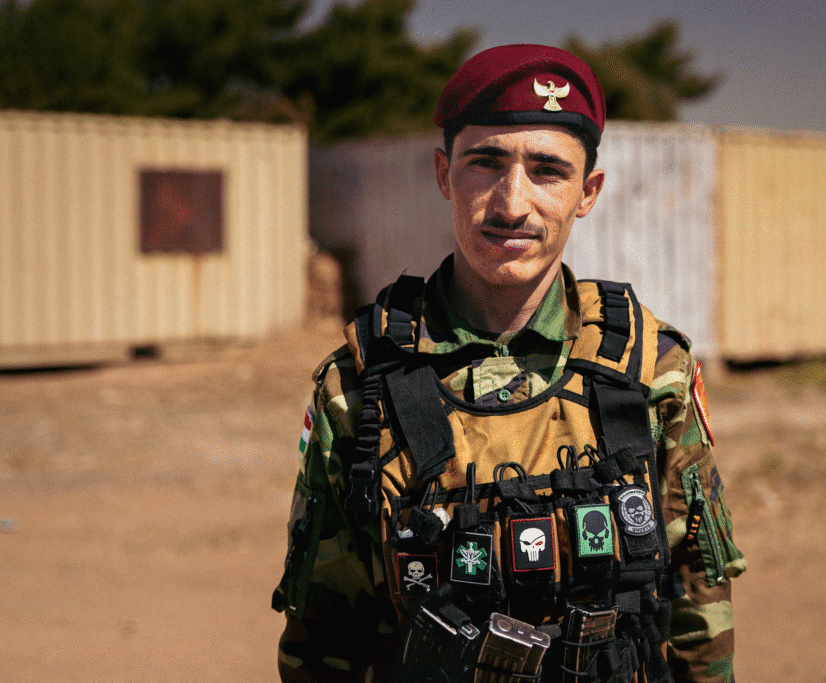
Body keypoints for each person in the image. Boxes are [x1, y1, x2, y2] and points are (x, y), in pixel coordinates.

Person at [272, 44, 745, 683]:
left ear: (588, 192)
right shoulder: (358, 386)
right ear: (444, 174)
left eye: (548, 170)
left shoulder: (652, 372)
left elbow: (697, 609)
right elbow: (323, 638)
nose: (511, 204)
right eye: (485, 164)